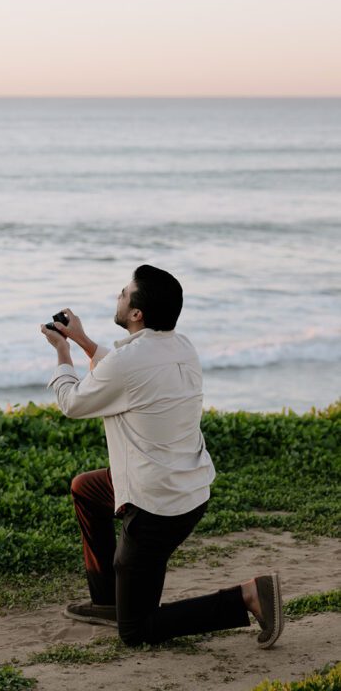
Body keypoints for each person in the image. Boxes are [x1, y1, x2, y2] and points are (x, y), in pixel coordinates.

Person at [40, 264, 284, 649]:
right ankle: (109, 601)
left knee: (136, 631)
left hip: (157, 507)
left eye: (124, 293)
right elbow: (128, 371)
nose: (118, 296)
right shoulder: (180, 346)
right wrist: (85, 340)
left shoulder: (129, 361)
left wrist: (63, 352)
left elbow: (72, 403)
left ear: (137, 314)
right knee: (88, 489)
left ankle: (248, 596)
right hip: (187, 488)